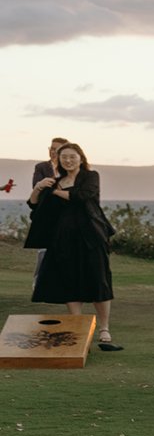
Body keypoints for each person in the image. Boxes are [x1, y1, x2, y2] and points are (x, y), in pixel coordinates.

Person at [26, 142, 123, 352]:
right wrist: (39, 187)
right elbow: (34, 204)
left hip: (91, 237)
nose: (68, 160)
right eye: (64, 157)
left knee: (99, 280)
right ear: (58, 160)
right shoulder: (54, 181)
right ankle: (78, 329)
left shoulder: (90, 176)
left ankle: (104, 330)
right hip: (62, 239)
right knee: (70, 282)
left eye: (72, 156)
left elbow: (81, 196)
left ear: (80, 158)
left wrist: (53, 191)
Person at [31, 137, 69, 281]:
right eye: (51, 148)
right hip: (45, 213)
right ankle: (38, 281)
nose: (53, 152)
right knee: (43, 250)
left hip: (65, 214)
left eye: (57, 149)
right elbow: (36, 187)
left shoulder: (69, 169)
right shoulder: (41, 167)